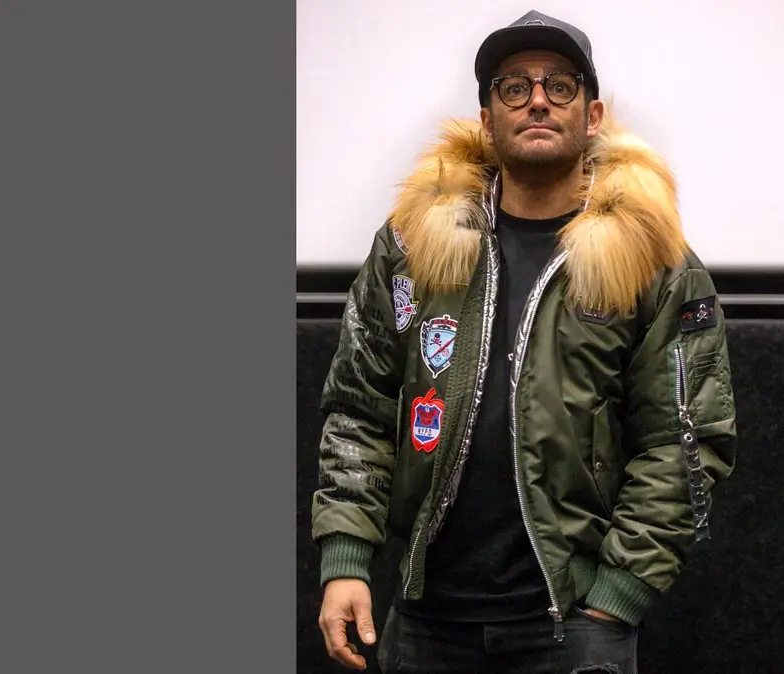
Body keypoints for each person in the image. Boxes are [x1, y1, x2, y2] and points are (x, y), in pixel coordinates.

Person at [311, 9, 738, 673]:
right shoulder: (411, 247)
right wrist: (346, 558)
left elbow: (685, 440)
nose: (537, 99)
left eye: (559, 85)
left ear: (592, 114)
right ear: (487, 120)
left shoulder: (652, 260)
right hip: (426, 620)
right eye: (514, 87)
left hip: (573, 627)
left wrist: (618, 596)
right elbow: (359, 408)